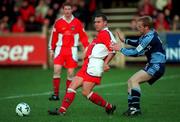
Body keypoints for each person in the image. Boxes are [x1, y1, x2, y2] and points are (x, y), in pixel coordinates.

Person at [48, 13, 117, 115]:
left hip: (95, 65)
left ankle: (109, 107)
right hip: (88, 64)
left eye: (99, 22)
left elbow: (113, 50)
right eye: (95, 22)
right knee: (72, 86)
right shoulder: (101, 34)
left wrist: (105, 63)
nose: (96, 24)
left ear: (105, 23)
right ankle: (62, 110)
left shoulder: (106, 34)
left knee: (86, 92)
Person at [111, 16, 166, 116]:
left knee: (134, 80)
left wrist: (120, 49)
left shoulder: (149, 38)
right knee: (130, 81)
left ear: (146, 27)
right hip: (153, 64)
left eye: (140, 26)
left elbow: (135, 53)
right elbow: (138, 42)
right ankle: (131, 108)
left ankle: (135, 109)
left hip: (156, 65)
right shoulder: (149, 33)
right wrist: (124, 40)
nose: (137, 28)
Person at [48, 2, 89, 101]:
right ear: (63, 10)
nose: (67, 11)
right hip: (60, 49)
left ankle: (67, 95)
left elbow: (83, 36)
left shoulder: (77, 22)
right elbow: (53, 37)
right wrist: (51, 49)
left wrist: (86, 47)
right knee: (56, 70)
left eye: (69, 9)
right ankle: (56, 94)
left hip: (72, 50)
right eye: (65, 9)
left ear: (72, 10)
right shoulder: (58, 22)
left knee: (70, 73)